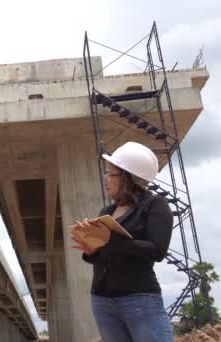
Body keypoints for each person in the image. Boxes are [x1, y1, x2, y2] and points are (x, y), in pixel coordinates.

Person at [71, 141, 174, 342]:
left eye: (110, 174)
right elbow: (107, 254)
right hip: (102, 301)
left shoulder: (155, 205)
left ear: (127, 177)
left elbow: (157, 250)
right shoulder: (107, 212)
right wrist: (92, 250)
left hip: (139, 298)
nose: (106, 178)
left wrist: (109, 240)